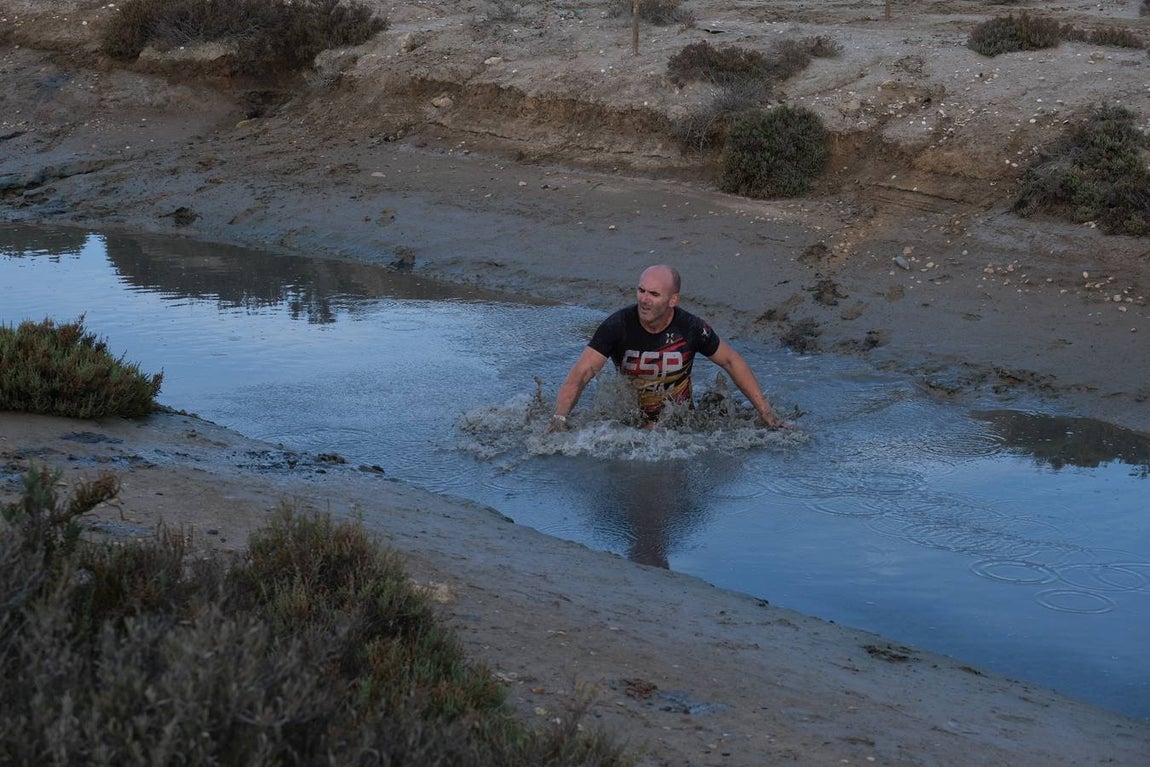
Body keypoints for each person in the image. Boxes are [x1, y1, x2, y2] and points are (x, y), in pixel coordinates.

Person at [549, 264, 786, 432]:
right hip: (630, 422)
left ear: (673, 300)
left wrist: (766, 413)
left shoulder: (691, 328)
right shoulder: (617, 326)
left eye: (654, 294)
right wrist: (559, 419)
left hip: (679, 422)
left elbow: (731, 361)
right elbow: (581, 374)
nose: (644, 299)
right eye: (641, 291)